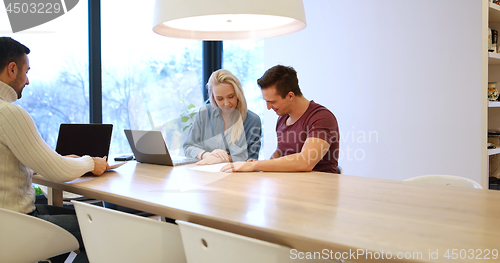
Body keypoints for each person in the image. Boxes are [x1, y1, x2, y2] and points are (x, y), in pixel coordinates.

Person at [0, 37, 109, 263]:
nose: (28, 81)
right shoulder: (8, 113)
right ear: (12, 69)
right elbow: (58, 172)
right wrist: (90, 162)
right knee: (106, 224)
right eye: (26, 72)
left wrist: (52, 161)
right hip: (16, 226)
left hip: (7, 223)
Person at [221, 65, 339, 173]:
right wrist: (257, 168)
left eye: (272, 102)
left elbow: (305, 161)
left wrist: (256, 165)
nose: (268, 107)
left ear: (290, 96)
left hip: (319, 190)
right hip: (290, 188)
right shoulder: (283, 118)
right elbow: (280, 153)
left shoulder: (321, 118)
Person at [184, 69, 262, 165]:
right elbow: (189, 146)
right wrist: (207, 155)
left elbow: (251, 160)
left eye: (231, 96)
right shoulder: (204, 113)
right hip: (205, 174)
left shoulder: (252, 120)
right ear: (213, 97)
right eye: (219, 99)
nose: (226, 103)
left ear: (238, 94)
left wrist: (224, 159)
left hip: (235, 177)